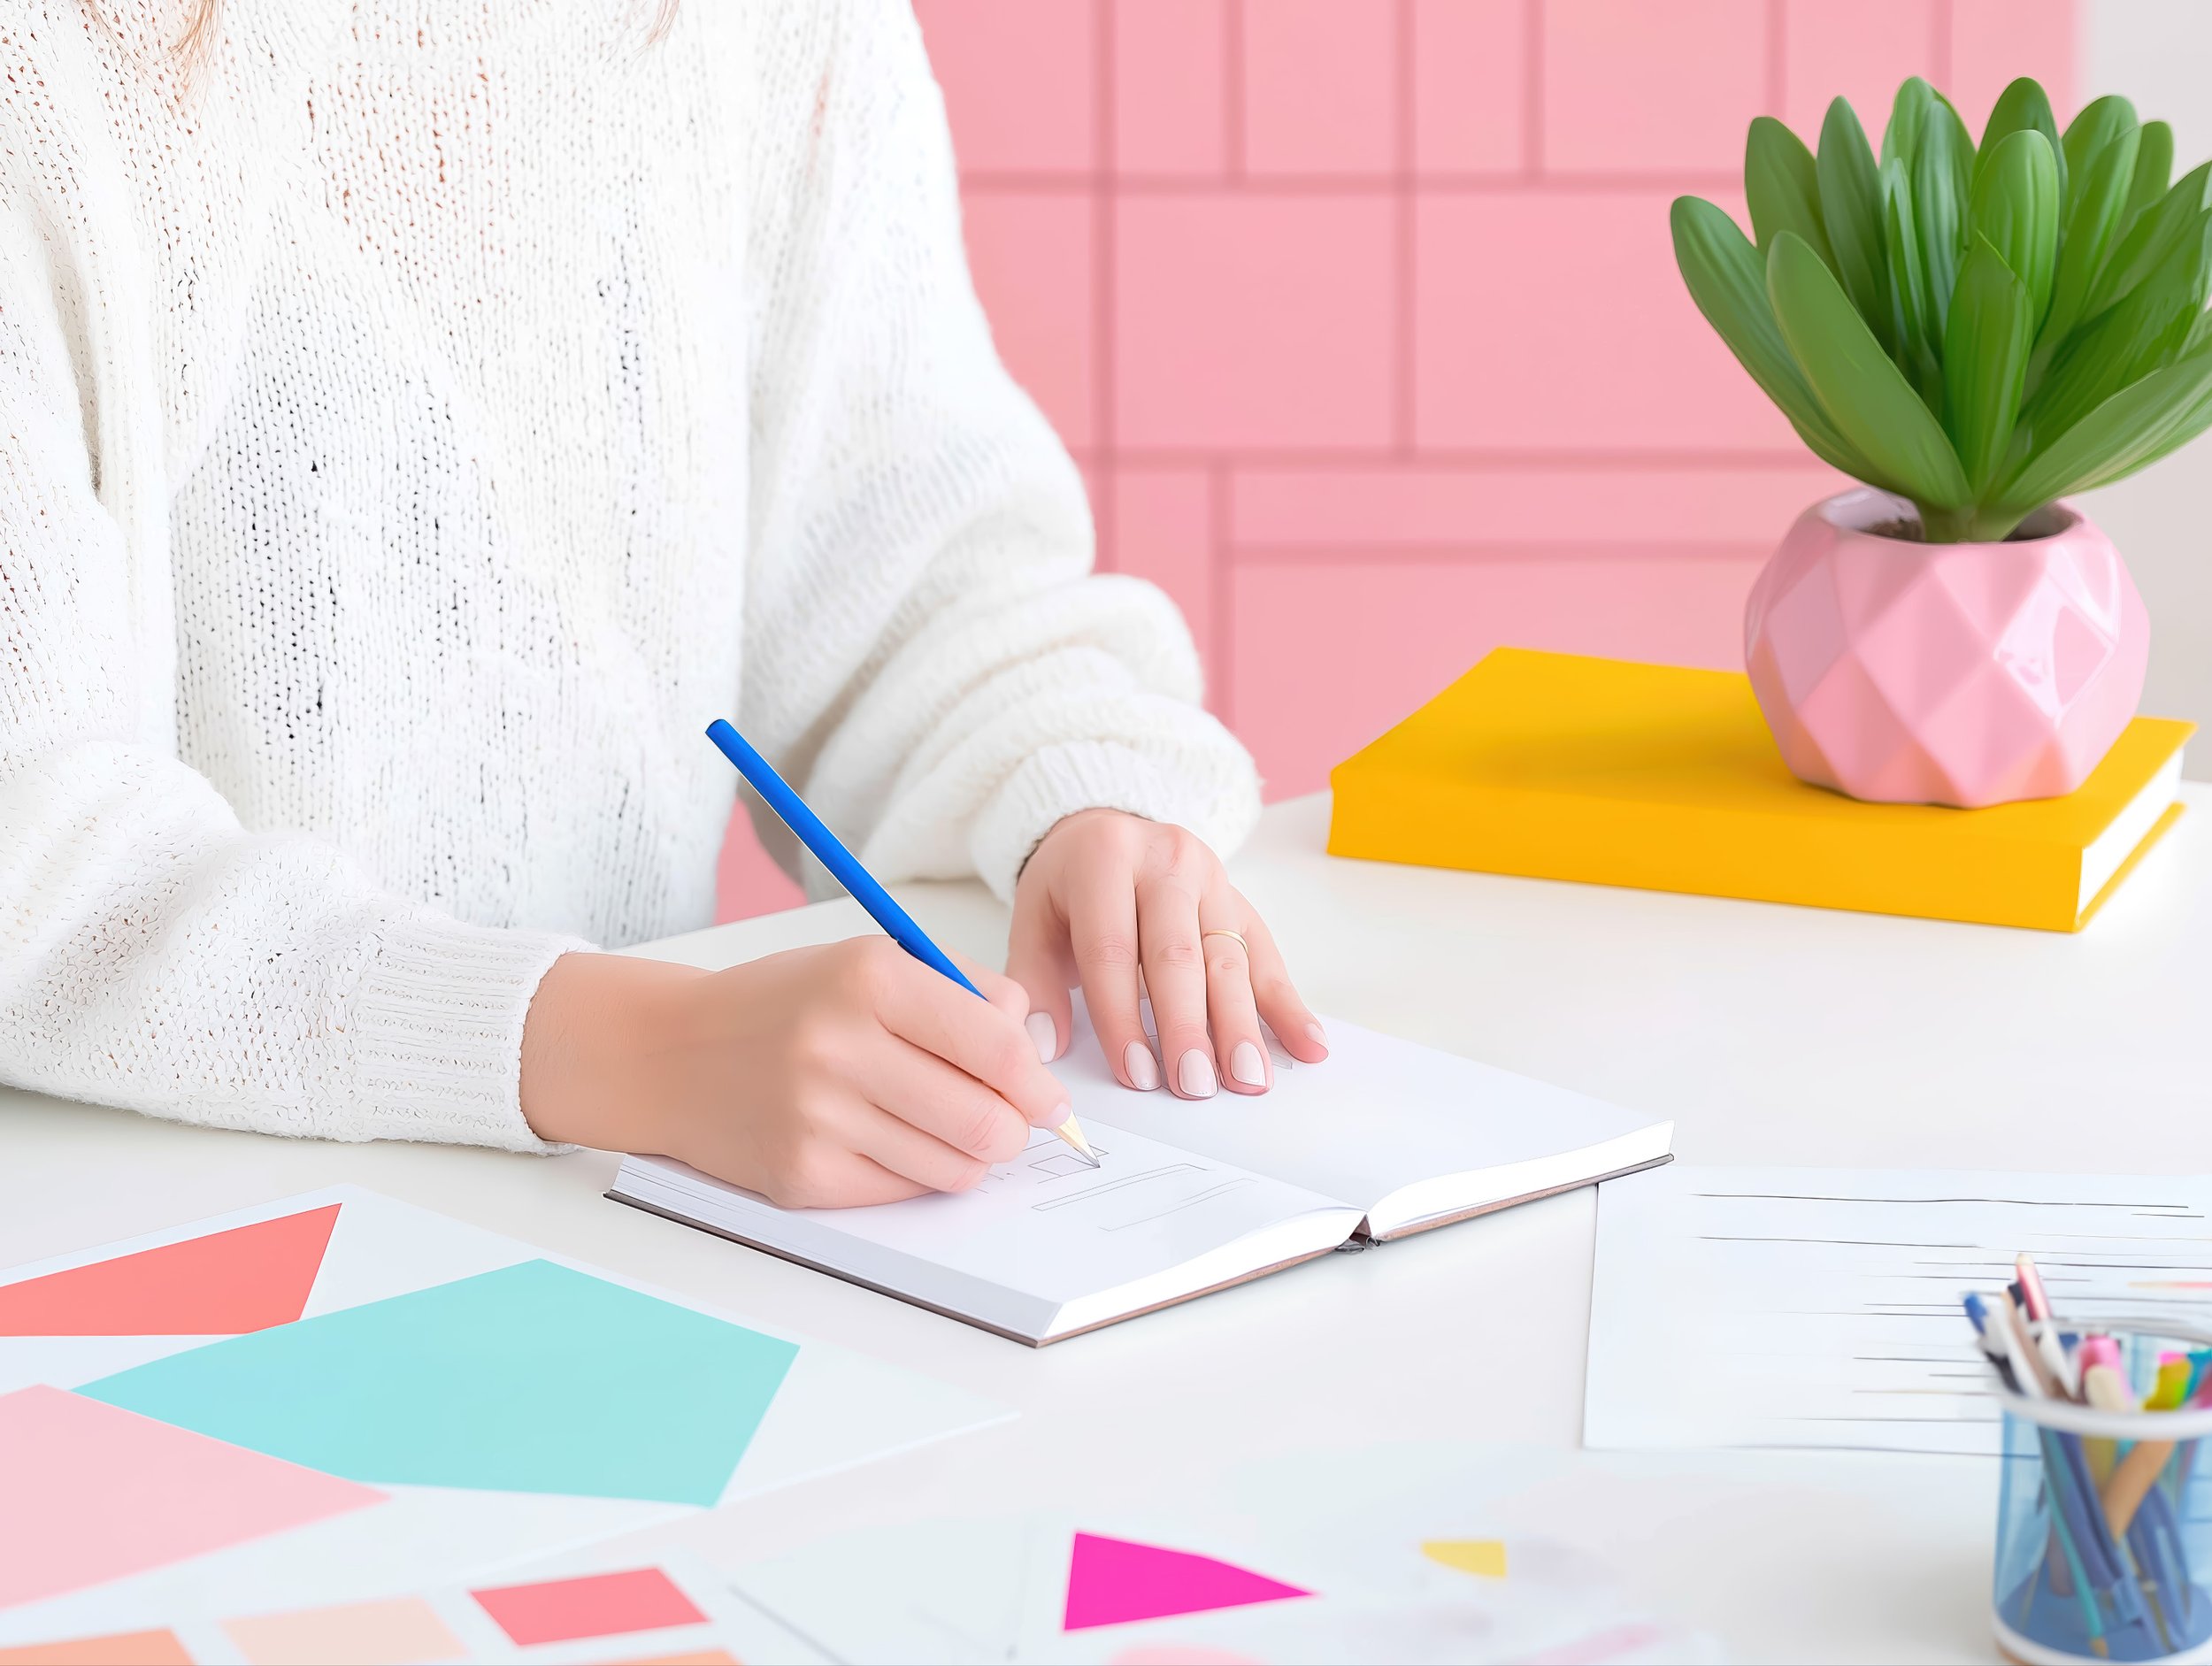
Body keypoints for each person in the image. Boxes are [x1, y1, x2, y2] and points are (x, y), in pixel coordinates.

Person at [0, 0, 1327, 1209]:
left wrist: (1071, 796)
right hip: (144, 1268)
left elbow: (904, 578)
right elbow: (36, 845)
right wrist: (639, 1048)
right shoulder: (45, 74)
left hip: (625, 1230)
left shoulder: (767, 30)